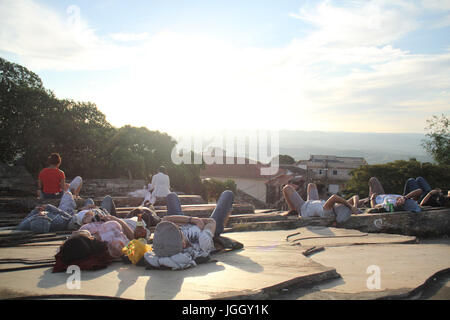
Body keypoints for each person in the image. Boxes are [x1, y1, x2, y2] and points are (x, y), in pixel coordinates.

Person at [143, 190, 238, 270]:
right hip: (206, 226)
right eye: (178, 230)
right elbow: (211, 222)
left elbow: (165, 219)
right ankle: (221, 224)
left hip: (187, 222)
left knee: (171, 196)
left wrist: (191, 220)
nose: (177, 228)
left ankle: (186, 220)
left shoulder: (168, 236)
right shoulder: (202, 241)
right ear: (183, 244)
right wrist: (199, 221)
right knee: (228, 194)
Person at [282, 183, 360, 223]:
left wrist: (351, 207)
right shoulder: (334, 207)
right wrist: (354, 206)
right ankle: (294, 209)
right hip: (313, 202)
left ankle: (293, 210)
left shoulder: (327, 211)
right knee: (311, 185)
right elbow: (355, 196)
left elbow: (334, 197)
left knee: (286, 188)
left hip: (303, 208)